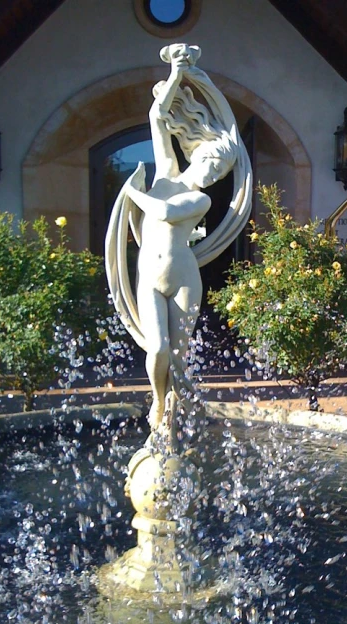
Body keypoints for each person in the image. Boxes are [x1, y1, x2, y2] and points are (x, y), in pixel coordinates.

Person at [105, 44, 252, 432]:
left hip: (185, 277)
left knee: (181, 361)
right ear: (198, 151)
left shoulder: (199, 199)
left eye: (221, 170)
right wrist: (176, 74)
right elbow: (157, 116)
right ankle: (157, 400)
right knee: (158, 349)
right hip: (149, 276)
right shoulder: (167, 174)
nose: (215, 172)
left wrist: (131, 192)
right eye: (213, 161)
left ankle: (176, 417)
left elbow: (166, 213)